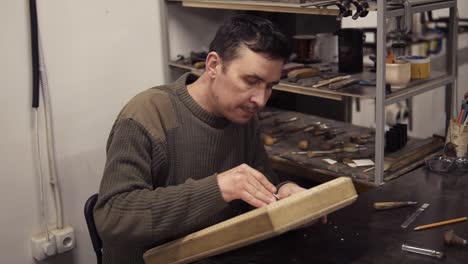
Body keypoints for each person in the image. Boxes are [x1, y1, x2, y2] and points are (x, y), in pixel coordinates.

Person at [94, 14, 320, 264]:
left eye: (269, 86)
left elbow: (258, 188)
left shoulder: (242, 115)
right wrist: (218, 189)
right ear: (213, 65)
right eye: (251, 81)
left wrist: (283, 193)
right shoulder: (146, 115)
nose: (260, 99)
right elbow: (113, 217)